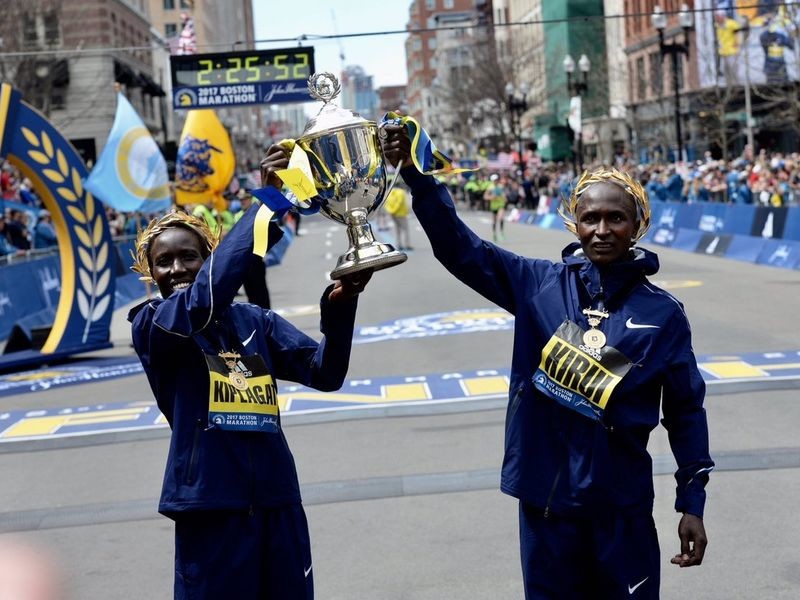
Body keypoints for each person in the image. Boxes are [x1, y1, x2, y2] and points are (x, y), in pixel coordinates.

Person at [383, 125, 713, 600]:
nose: (602, 230)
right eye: (590, 217)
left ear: (638, 223)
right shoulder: (537, 284)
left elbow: (685, 413)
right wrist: (419, 178)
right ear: (574, 222)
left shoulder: (664, 314)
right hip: (547, 507)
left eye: (616, 218)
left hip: (622, 511)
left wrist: (692, 503)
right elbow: (460, 249)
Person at [127, 174, 371, 598]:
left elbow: (325, 372)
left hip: (277, 501)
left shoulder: (253, 321)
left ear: (210, 259)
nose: (177, 269)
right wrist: (267, 203)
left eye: (189, 257)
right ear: (151, 273)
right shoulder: (154, 324)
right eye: (163, 262)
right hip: (210, 507)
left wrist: (341, 303)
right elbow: (202, 302)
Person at [234, 188, 273, 308]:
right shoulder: (237, 215)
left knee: (260, 289)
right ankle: (255, 313)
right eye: (241, 200)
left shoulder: (257, 213)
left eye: (245, 199)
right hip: (244, 257)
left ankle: (265, 312)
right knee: (249, 290)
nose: (243, 202)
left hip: (256, 254)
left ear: (250, 199)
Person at [383, 183, 413, 251]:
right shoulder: (401, 192)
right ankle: (407, 245)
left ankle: (399, 245)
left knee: (397, 230)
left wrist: (391, 211)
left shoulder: (389, 192)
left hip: (392, 214)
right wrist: (394, 210)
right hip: (401, 214)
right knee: (405, 230)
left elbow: (387, 203)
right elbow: (399, 203)